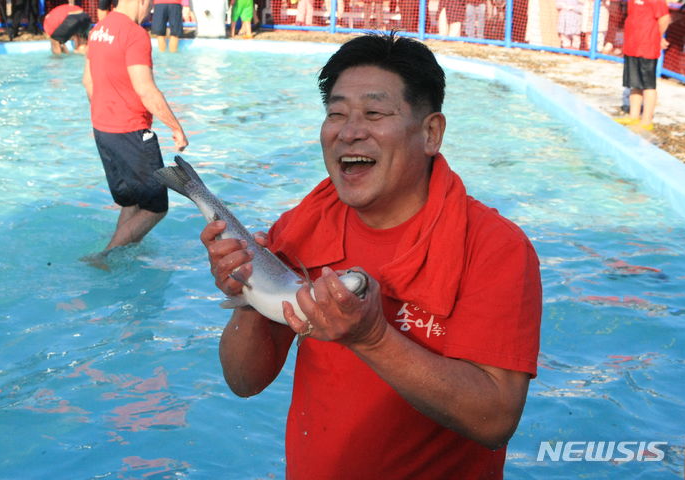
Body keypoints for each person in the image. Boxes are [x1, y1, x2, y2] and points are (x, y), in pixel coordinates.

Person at [201, 33, 542, 479]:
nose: (349, 131)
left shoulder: (495, 247)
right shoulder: (303, 227)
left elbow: (496, 420)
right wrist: (250, 288)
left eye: (374, 113)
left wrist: (372, 338)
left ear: (430, 133)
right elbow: (244, 381)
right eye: (336, 113)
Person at [82, 0, 188, 260]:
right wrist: (176, 128)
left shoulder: (98, 29)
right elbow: (146, 89)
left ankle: (122, 250)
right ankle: (105, 256)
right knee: (156, 207)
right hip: (131, 131)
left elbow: (87, 81)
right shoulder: (134, 34)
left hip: (103, 129)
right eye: (150, 3)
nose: (151, 9)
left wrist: (104, 115)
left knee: (132, 201)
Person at [613, 0, 670, 132]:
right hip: (632, 46)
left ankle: (646, 120)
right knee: (634, 83)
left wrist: (657, 36)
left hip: (647, 47)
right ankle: (634, 116)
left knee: (648, 85)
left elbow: (664, 18)